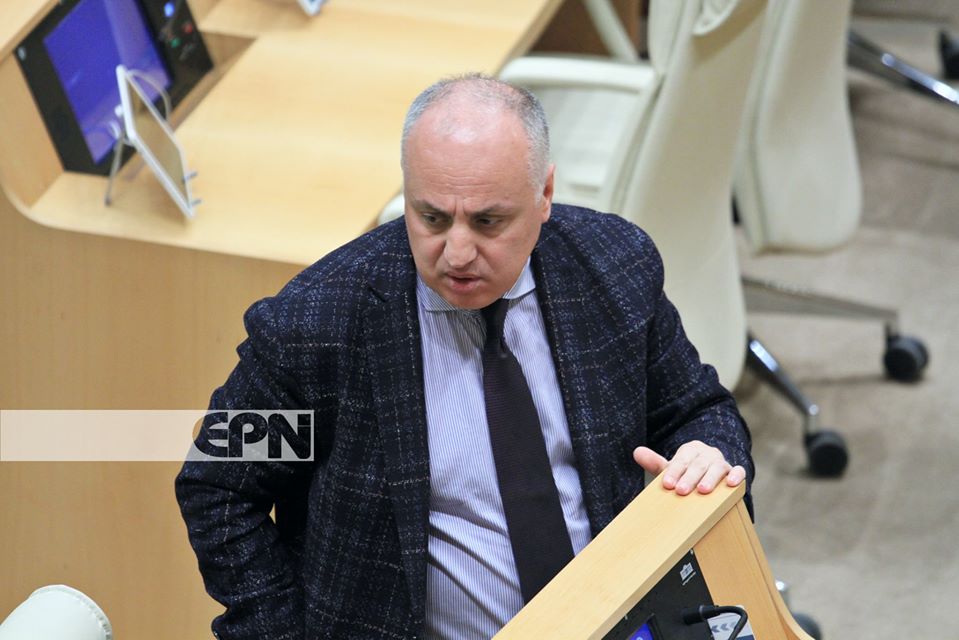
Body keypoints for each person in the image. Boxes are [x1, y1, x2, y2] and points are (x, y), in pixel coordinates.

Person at [176, 73, 753, 640]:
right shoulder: (316, 326)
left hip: (627, 616)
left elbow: (697, 412)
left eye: (487, 221)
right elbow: (219, 484)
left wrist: (706, 455)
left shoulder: (614, 265)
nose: (456, 253)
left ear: (544, 195)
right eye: (431, 217)